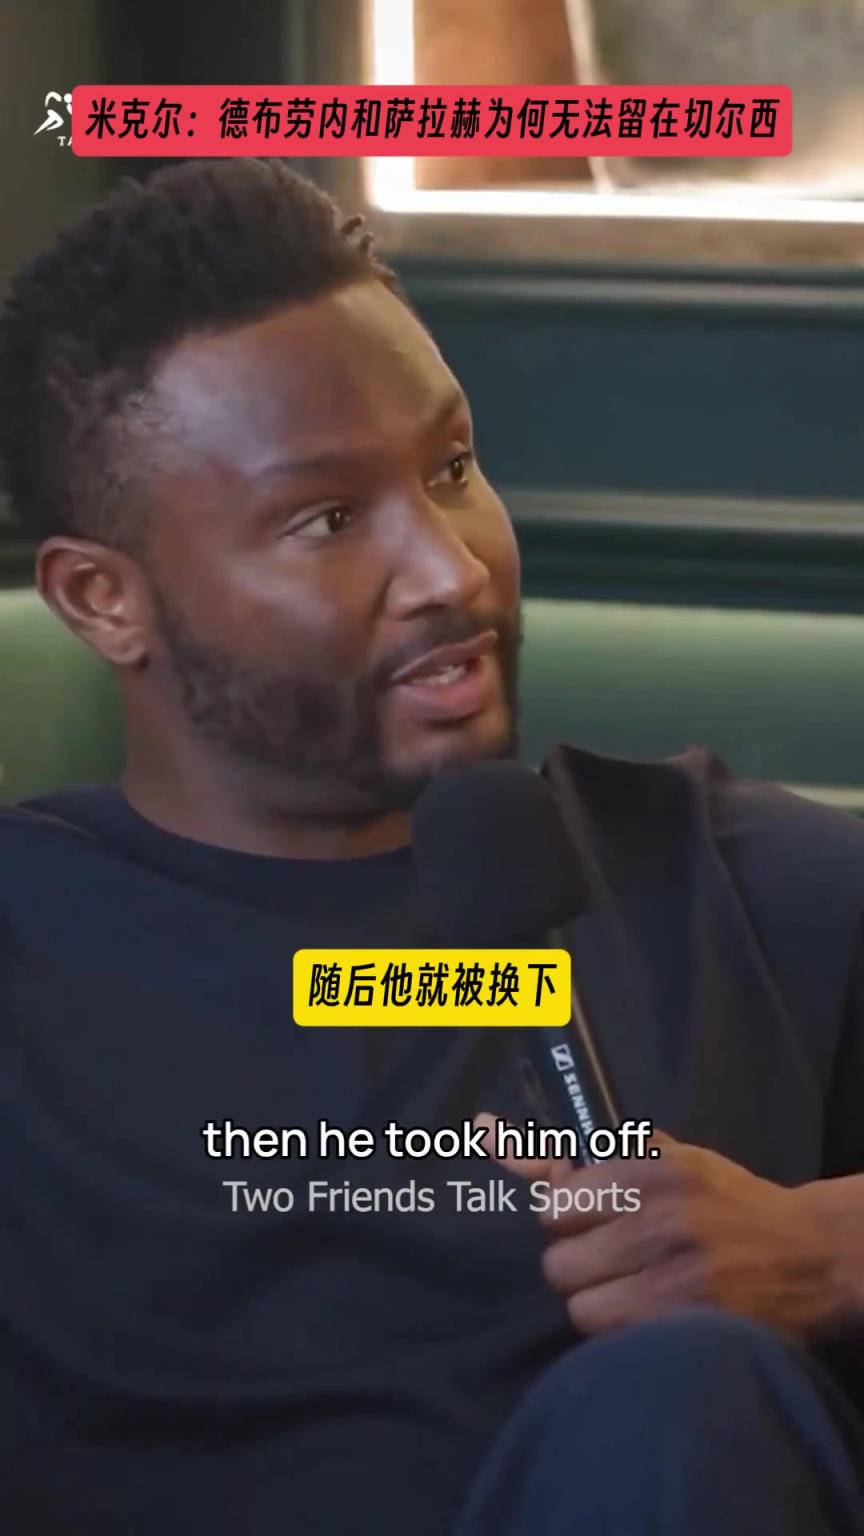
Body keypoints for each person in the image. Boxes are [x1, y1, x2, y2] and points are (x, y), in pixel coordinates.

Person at [0, 157, 862, 1536]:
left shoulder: (725, 883)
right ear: (105, 599)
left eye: (452, 468)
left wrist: (833, 1246)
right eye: (329, 520)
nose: (455, 569)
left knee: (681, 1395)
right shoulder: (31, 946)